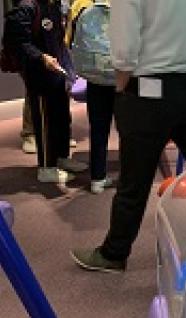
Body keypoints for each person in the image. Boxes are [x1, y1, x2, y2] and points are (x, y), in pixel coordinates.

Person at [70, 0, 186, 270]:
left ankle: (114, 253)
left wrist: (123, 90)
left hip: (146, 92)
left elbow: (124, 49)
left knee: (134, 181)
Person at [4, 0, 87, 183]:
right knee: (45, 121)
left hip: (57, 71)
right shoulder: (27, 7)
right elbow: (16, 41)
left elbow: (58, 41)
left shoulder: (53, 5)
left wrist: (68, 69)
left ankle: (62, 157)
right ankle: (47, 167)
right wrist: (41, 57)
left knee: (61, 117)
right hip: (38, 74)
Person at [65, 0, 115, 193]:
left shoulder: (85, 12)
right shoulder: (128, 11)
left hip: (95, 80)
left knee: (98, 129)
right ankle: (130, 178)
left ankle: (97, 178)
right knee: (128, 131)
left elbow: (73, 45)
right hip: (123, 79)